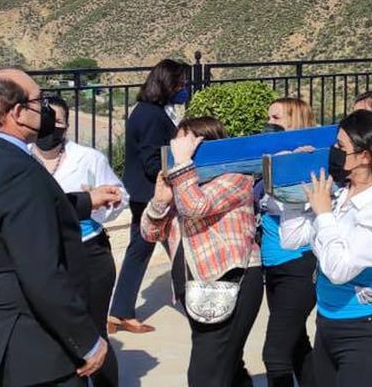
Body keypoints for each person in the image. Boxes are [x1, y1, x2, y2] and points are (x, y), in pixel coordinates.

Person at [0, 69, 107, 386]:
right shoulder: (18, 172)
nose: (44, 111)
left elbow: (16, 216)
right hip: (33, 353)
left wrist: (86, 201)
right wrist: (86, 339)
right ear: (16, 112)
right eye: (38, 101)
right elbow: (41, 273)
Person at [281, 111, 372, 387]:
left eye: (340, 147)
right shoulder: (341, 192)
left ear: (365, 156)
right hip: (327, 324)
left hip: (365, 332)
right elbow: (291, 239)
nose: (334, 152)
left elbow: (339, 270)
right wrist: (290, 189)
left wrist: (324, 214)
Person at [141, 117, 264, 387]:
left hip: (232, 280)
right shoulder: (181, 183)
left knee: (205, 374)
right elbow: (150, 233)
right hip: (195, 286)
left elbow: (196, 206)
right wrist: (159, 202)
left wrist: (183, 165)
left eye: (186, 145)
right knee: (227, 365)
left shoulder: (236, 178)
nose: (178, 152)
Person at [28, 96, 127, 387]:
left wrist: (98, 203)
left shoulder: (89, 158)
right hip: (43, 257)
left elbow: (119, 197)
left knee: (93, 333)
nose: (51, 127)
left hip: (88, 253)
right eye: (46, 120)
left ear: (67, 125)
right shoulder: (21, 159)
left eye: (57, 121)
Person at [110, 58, 190, 335]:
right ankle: (197, 302)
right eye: (182, 83)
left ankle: (120, 311)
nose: (185, 88)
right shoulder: (152, 116)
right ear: (168, 84)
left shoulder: (148, 111)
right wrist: (180, 174)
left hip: (144, 192)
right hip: (151, 195)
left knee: (143, 250)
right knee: (175, 248)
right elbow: (152, 160)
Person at [257, 95, 319, 386]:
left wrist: (288, 164)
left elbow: (292, 206)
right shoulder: (271, 159)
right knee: (296, 345)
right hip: (275, 265)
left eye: (277, 118)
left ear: (295, 122)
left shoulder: (307, 160)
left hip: (298, 264)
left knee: (275, 355)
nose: (270, 124)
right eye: (269, 117)